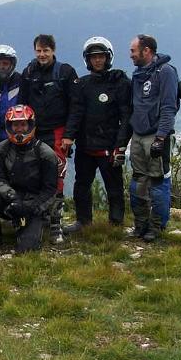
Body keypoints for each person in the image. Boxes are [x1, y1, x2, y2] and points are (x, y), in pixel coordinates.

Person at [62, 37, 131, 233]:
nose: (98, 61)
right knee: (81, 185)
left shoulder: (119, 82)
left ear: (108, 57)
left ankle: (116, 224)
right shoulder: (82, 84)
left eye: (101, 56)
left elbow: (126, 116)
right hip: (85, 146)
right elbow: (75, 112)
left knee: (114, 187)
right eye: (93, 57)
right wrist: (69, 136)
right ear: (87, 60)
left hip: (110, 146)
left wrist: (121, 144)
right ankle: (83, 222)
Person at [18, 34, 78, 243]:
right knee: (33, 175)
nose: (42, 54)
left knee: (57, 177)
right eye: (39, 50)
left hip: (57, 132)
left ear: (53, 50)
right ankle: (38, 219)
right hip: (34, 132)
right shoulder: (28, 73)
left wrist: (70, 135)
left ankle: (56, 225)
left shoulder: (65, 72)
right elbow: (22, 104)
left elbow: (75, 106)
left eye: (46, 50)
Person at [0, 105, 58, 253]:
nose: (19, 129)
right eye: (15, 125)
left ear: (30, 125)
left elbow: (50, 190)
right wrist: (12, 198)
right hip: (9, 199)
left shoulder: (46, 153)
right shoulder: (0, 149)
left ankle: (33, 227)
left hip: (33, 204)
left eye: (23, 124)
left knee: (26, 250)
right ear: (9, 126)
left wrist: (29, 207)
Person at [128, 34, 178, 242]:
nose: (130, 54)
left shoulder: (165, 72)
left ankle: (157, 227)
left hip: (156, 135)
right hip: (138, 135)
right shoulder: (139, 73)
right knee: (138, 180)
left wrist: (161, 138)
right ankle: (140, 224)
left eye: (133, 50)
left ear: (146, 50)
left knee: (158, 182)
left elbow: (168, 107)